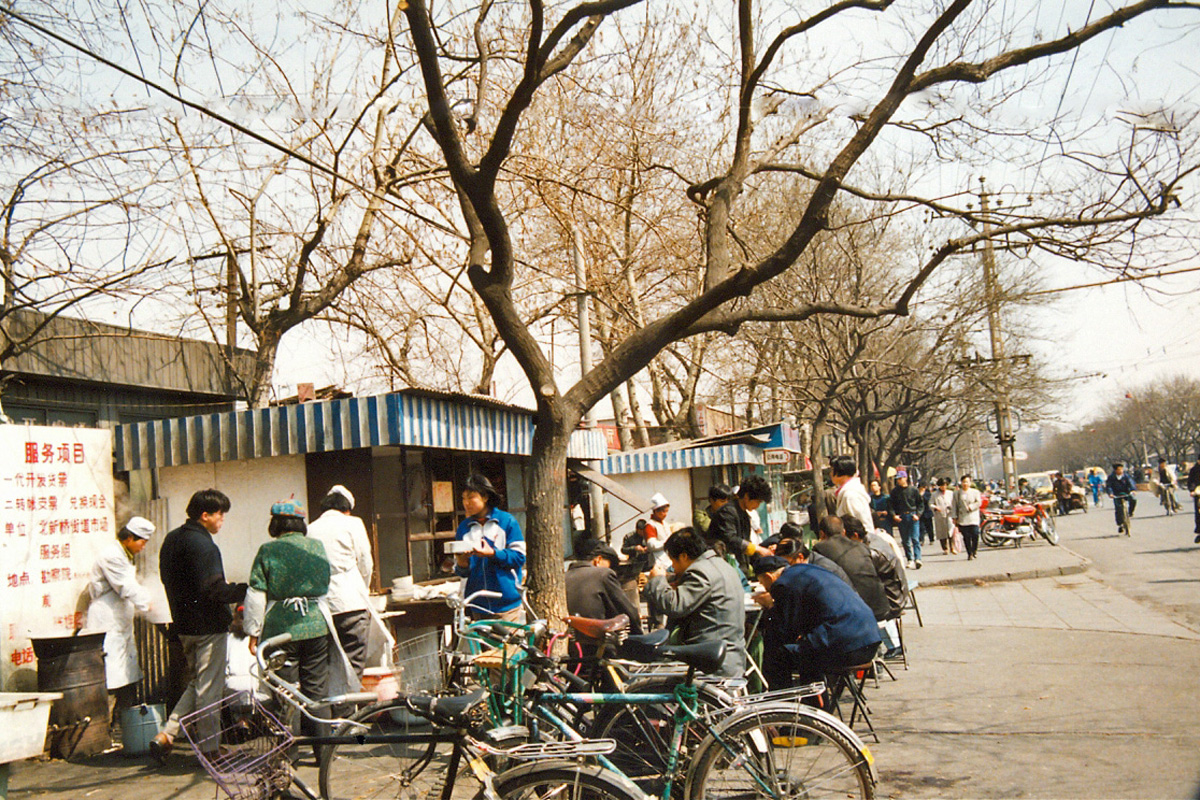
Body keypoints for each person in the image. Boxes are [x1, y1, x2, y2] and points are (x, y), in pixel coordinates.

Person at [152, 489, 247, 764]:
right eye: (220, 515)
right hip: (208, 628)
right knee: (209, 690)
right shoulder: (204, 546)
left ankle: (167, 734)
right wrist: (246, 590)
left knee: (198, 683)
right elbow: (214, 590)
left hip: (183, 626)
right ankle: (210, 750)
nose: (222, 521)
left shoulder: (172, 540)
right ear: (205, 516)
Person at [243, 498, 335, 745]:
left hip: (279, 629)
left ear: (275, 525)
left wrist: (253, 633)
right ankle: (323, 752)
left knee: (285, 693)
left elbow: (255, 595)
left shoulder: (268, 550)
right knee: (317, 692)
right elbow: (327, 583)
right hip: (316, 624)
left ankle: (287, 756)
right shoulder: (317, 547)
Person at [752, 556, 882, 690]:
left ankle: (787, 704)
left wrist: (770, 607)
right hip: (870, 640)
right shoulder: (807, 570)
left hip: (846, 647)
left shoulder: (783, 584)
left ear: (769, 577)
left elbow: (784, 630)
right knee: (805, 649)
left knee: (778, 655)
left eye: (763, 583)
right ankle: (814, 700)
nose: (766, 588)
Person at [643, 527, 746, 679]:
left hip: (713, 663)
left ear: (684, 556)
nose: (674, 567)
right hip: (730, 656)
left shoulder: (700, 572)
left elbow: (675, 605)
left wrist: (657, 580)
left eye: (673, 561)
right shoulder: (721, 565)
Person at [86, 516, 155, 729]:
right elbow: (126, 587)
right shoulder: (111, 556)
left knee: (125, 673)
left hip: (120, 622)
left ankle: (122, 727)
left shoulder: (123, 555)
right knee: (111, 676)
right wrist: (150, 603)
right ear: (129, 538)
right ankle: (102, 729)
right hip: (107, 620)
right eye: (141, 542)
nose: (143, 547)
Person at [305, 485, 375, 681]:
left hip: (321, 606)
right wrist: (364, 590)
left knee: (326, 664)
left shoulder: (310, 529)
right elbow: (365, 563)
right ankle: (347, 710)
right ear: (347, 509)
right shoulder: (353, 523)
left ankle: (331, 710)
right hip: (352, 603)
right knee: (352, 664)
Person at [454, 473, 526, 620]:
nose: (466, 503)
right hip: (477, 605)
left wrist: (493, 553)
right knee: (479, 643)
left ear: (485, 497)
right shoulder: (463, 528)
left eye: (471, 497)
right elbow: (462, 571)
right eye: (463, 498)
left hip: (506, 605)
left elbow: (519, 557)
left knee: (508, 643)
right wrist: (462, 563)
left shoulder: (507, 522)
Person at [565, 541, 643, 659]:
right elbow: (626, 609)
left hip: (571, 646)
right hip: (600, 645)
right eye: (609, 565)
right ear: (598, 560)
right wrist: (639, 635)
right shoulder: (603, 574)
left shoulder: (564, 577)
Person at [811, 516, 890, 622]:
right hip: (881, 607)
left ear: (821, 534)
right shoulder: (860, 546)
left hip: (856, 613)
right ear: (843, 531)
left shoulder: (820, 549)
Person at [706, 475, 774, 570]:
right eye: (757, 501)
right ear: (746, 496)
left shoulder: (743, 514)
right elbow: (731, 540)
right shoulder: (727, 512)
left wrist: (764, 553)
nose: (758, 506)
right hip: (723, 567)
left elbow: (746, 543)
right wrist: (758, 549)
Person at [775, 528, 852, 587]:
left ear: (800, 557)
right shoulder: (809, 564)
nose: (787, 569)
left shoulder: (821, 569)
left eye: (789, 564)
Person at [830, 456, 875, 533]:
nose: (830, 474)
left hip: (858, 542)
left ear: (841, 472)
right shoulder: (847, 492)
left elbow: (863, 524)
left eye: (832, 470)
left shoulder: (850, 495)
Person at [889, 470, 923, 569]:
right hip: (902, 516)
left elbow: (920, 504)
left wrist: (918, 514)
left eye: (900, 478)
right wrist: (894, 515)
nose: (899, 481)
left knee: (915, 538)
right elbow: (891, 505)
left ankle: (918, 558)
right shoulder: (895, 492)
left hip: (913, 515)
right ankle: (910, 559)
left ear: (905, 478)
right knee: (905, 540)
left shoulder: (913, 490)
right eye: (898, 479)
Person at [952, 474, 983, 560]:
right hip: (963, 518)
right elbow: (954, 505)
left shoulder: (975, 492)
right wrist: (954, 517)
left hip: (973, 517)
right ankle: (969, 553)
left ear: (970, 482)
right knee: (966, 537)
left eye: (967, 482)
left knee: (975, 534)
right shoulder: (957, 493)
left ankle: (974, 550)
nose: (965, 483)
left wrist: (971, 507)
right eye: (963, 482)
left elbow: (979, 502)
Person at [1105, 463, 1138, 534]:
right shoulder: (1111, 477)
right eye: (1119, 469)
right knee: (1118, 508)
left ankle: (1130, 512)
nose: (1121, 471)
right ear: (1115, 470)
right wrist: (1110, 493)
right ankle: (1120, 524)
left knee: (1133, 499)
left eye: (1121, 469)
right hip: (1116, 494)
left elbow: (1131, 483)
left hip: (1126, 492)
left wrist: (1133, 490)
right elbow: (1109, 486)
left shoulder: (1126, 476)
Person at [929, 477, 956, 554]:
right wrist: (935, 507)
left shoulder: (950, 493)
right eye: (941, 485)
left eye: (945, 485)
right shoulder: (934, 494)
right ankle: (945, 548)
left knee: (950, 531)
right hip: (939, 515)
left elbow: (954, 503)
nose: (943, 487)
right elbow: (930, 504)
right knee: (942, 532)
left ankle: (952, 547)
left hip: (949, 514)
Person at [1187, 455, 1200, 543]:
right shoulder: (1194, 470)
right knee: (1198, 514)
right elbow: (1191, 482)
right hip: (1198, 493)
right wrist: (1192, 490)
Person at [919, 481, 935, 546]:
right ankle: (921, 540)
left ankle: (931, 539)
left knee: (929, 527)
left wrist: (922, 496)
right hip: (920, 513)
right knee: (921, 527)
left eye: (923, 487)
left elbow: (928, 501)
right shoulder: (917, 493)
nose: (922, 489)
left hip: (927, 512)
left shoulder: (927, 493)